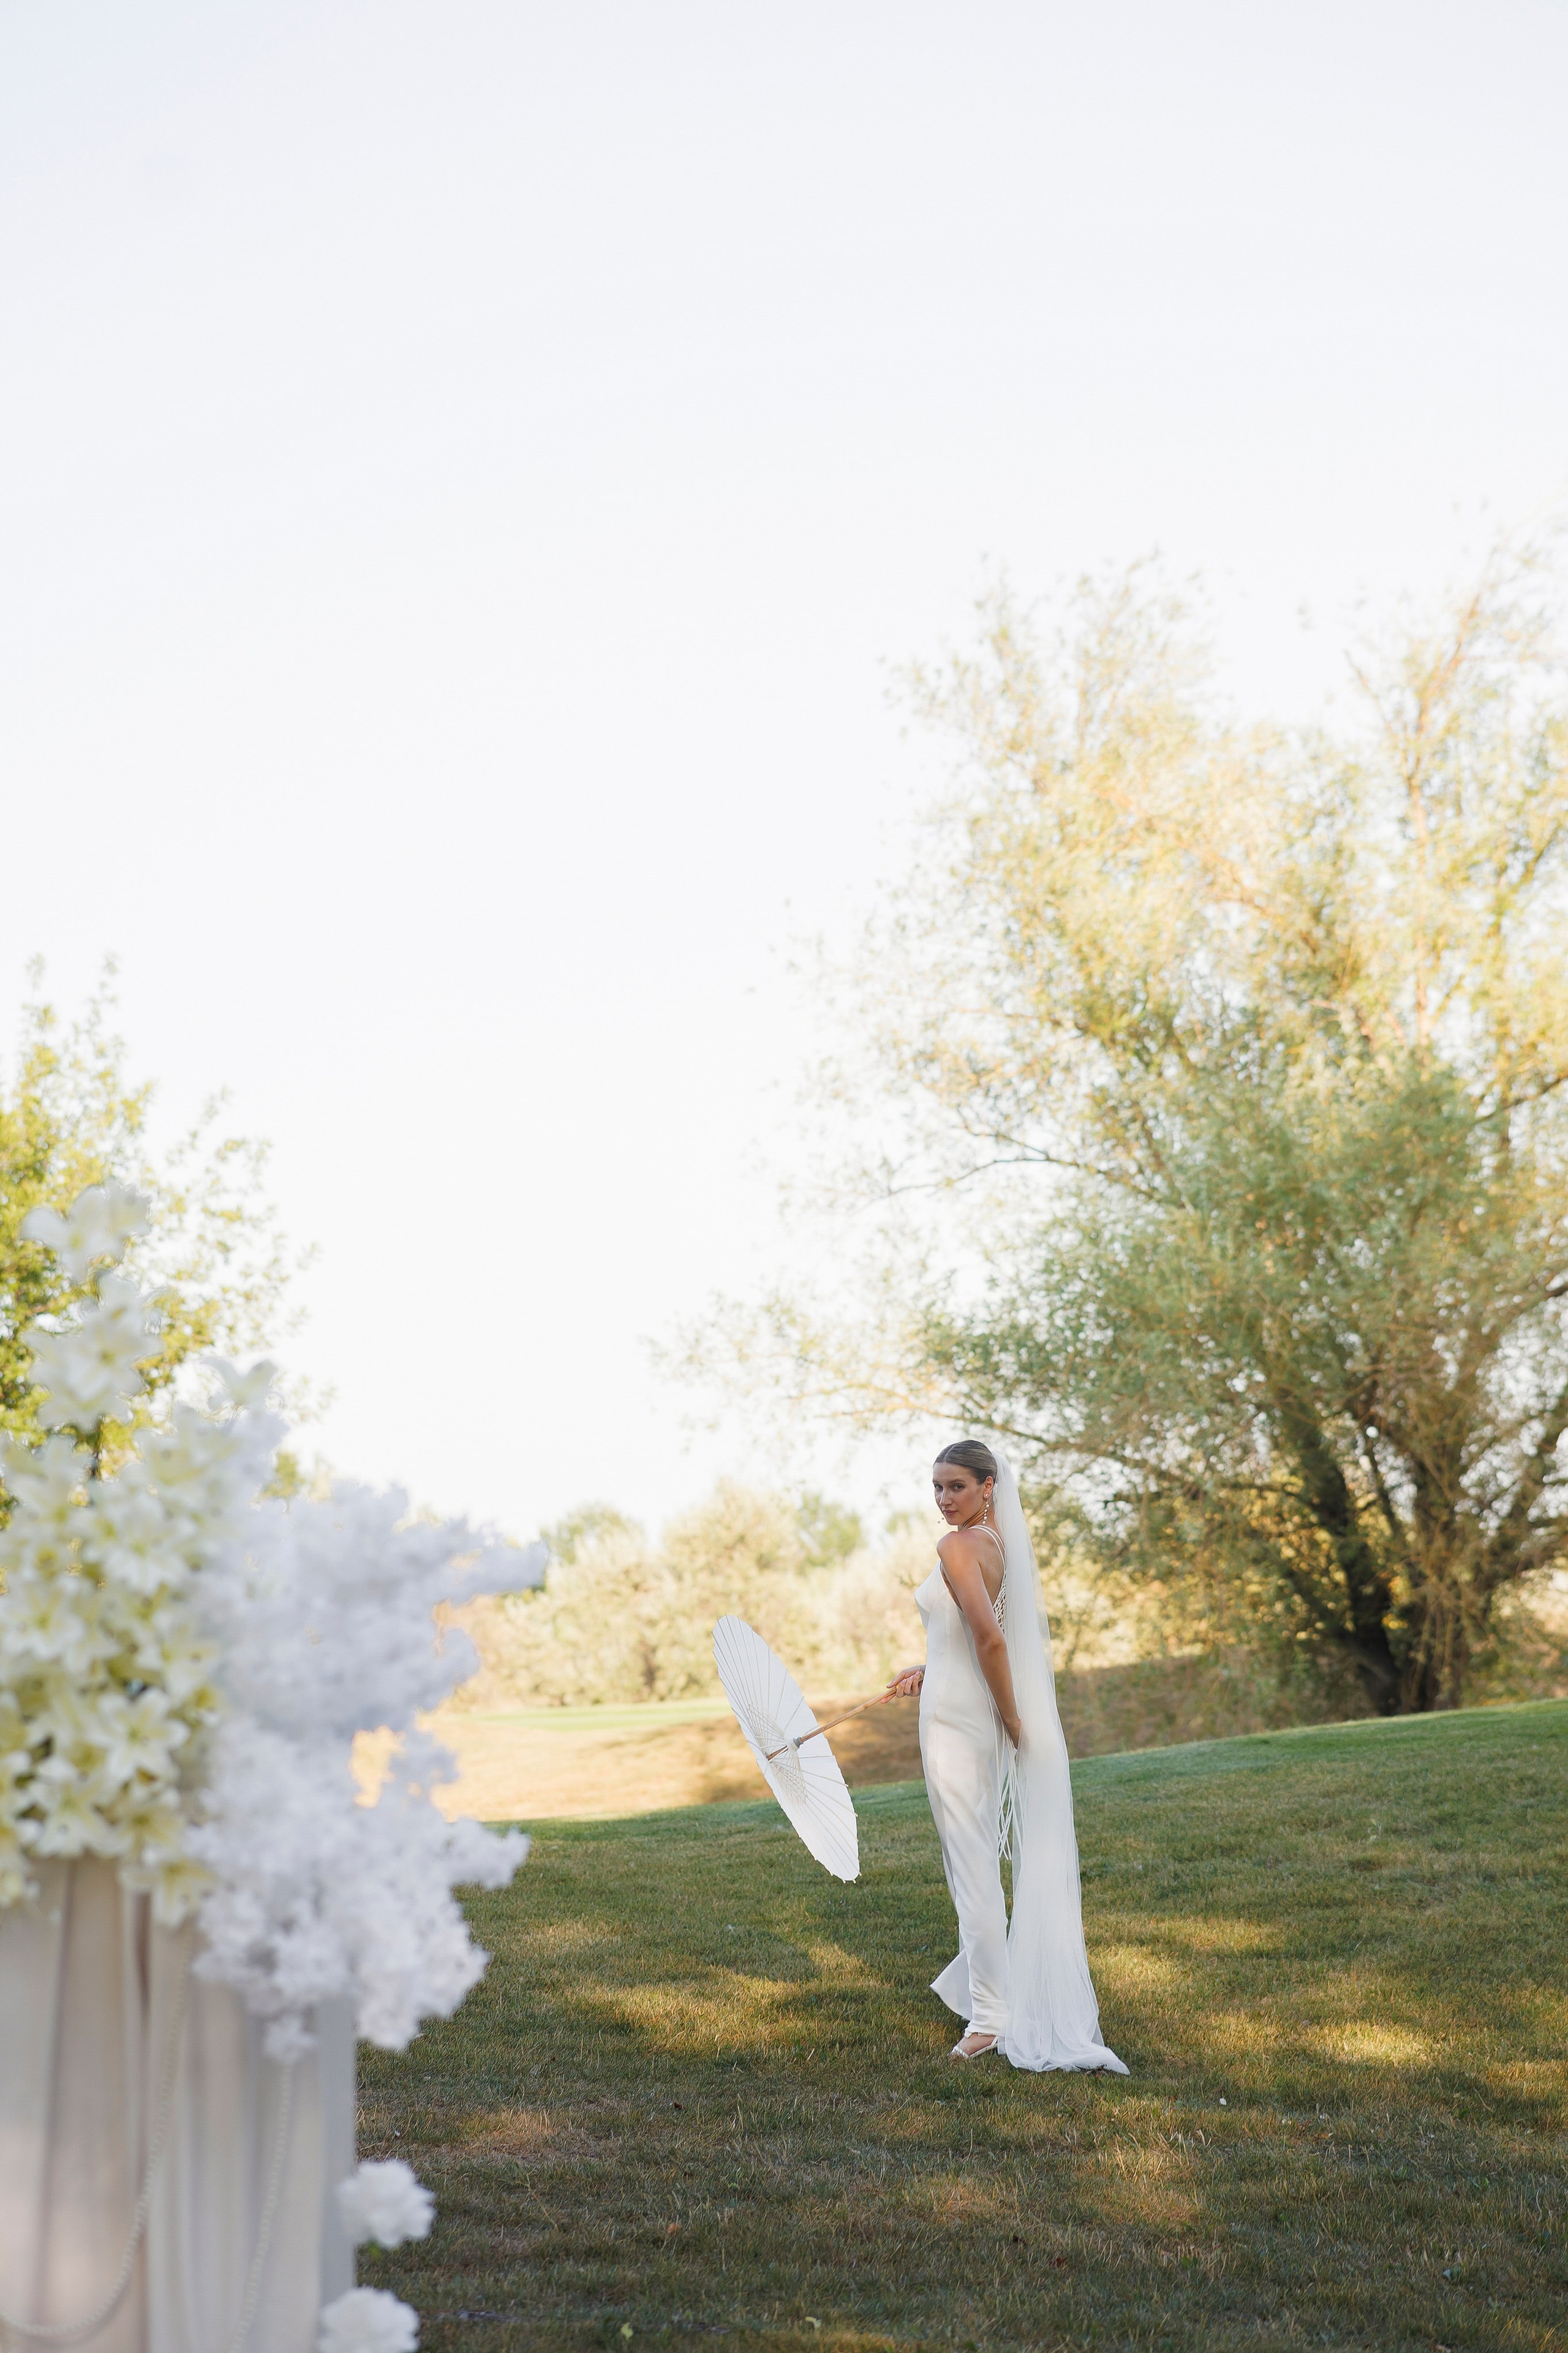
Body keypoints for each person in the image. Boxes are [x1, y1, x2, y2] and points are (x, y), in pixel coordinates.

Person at [886, 1439, 1127, 2071]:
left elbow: (992, 1640)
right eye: (936, 1487)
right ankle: (987, 1992)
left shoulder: (958, 1546)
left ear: (988, 1486)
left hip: (957, 1722)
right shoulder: (996, 1545)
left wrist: (1014, 1718)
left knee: (970, 1866)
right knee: (975, 1856)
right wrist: (929, 1663)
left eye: (956, 1486)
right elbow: (970, 1635)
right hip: (966, 1706)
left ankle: (990, 2018)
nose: (944, 1499)